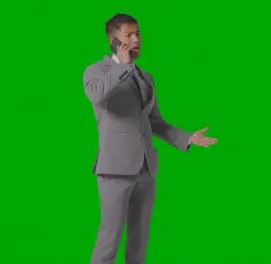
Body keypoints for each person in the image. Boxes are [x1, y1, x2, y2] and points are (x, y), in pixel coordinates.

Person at [82, 13, 218, 264]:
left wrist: (188, 138)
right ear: (114, 41)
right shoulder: (96, 72)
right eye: (129, 35)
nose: (137, 40)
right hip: (115, 170)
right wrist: (122, 67)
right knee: (109, 238)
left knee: (139, 239)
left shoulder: (145, 78)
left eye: (138, 34)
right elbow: (97, 97)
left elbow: (154, 122)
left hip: (146, 170)